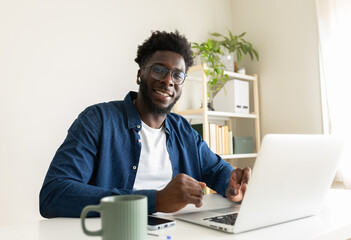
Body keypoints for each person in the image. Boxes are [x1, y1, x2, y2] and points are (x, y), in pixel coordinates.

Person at [39, 30, 251, 218]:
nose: (168, 80)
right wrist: (155, 200)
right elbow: (55, 193)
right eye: (159, 70)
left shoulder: (183, 130)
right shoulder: (98, 120)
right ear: (140, 74)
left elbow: (215, 169)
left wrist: (232, 185)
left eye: (177, 75)